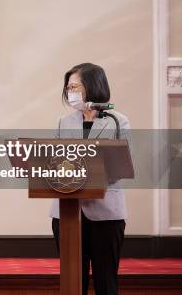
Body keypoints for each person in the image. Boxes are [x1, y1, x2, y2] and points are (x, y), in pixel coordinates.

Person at [51, 63, 130, 295]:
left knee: (106, 281)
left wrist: (87, 170)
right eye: (68, 88)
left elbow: (123, 166)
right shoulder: (64, 122)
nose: (70, 92)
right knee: (74, 282)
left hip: (105, 213)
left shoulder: (117, 121)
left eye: (75, 86)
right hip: (66, 212)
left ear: (92, 87)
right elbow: (53, 162)